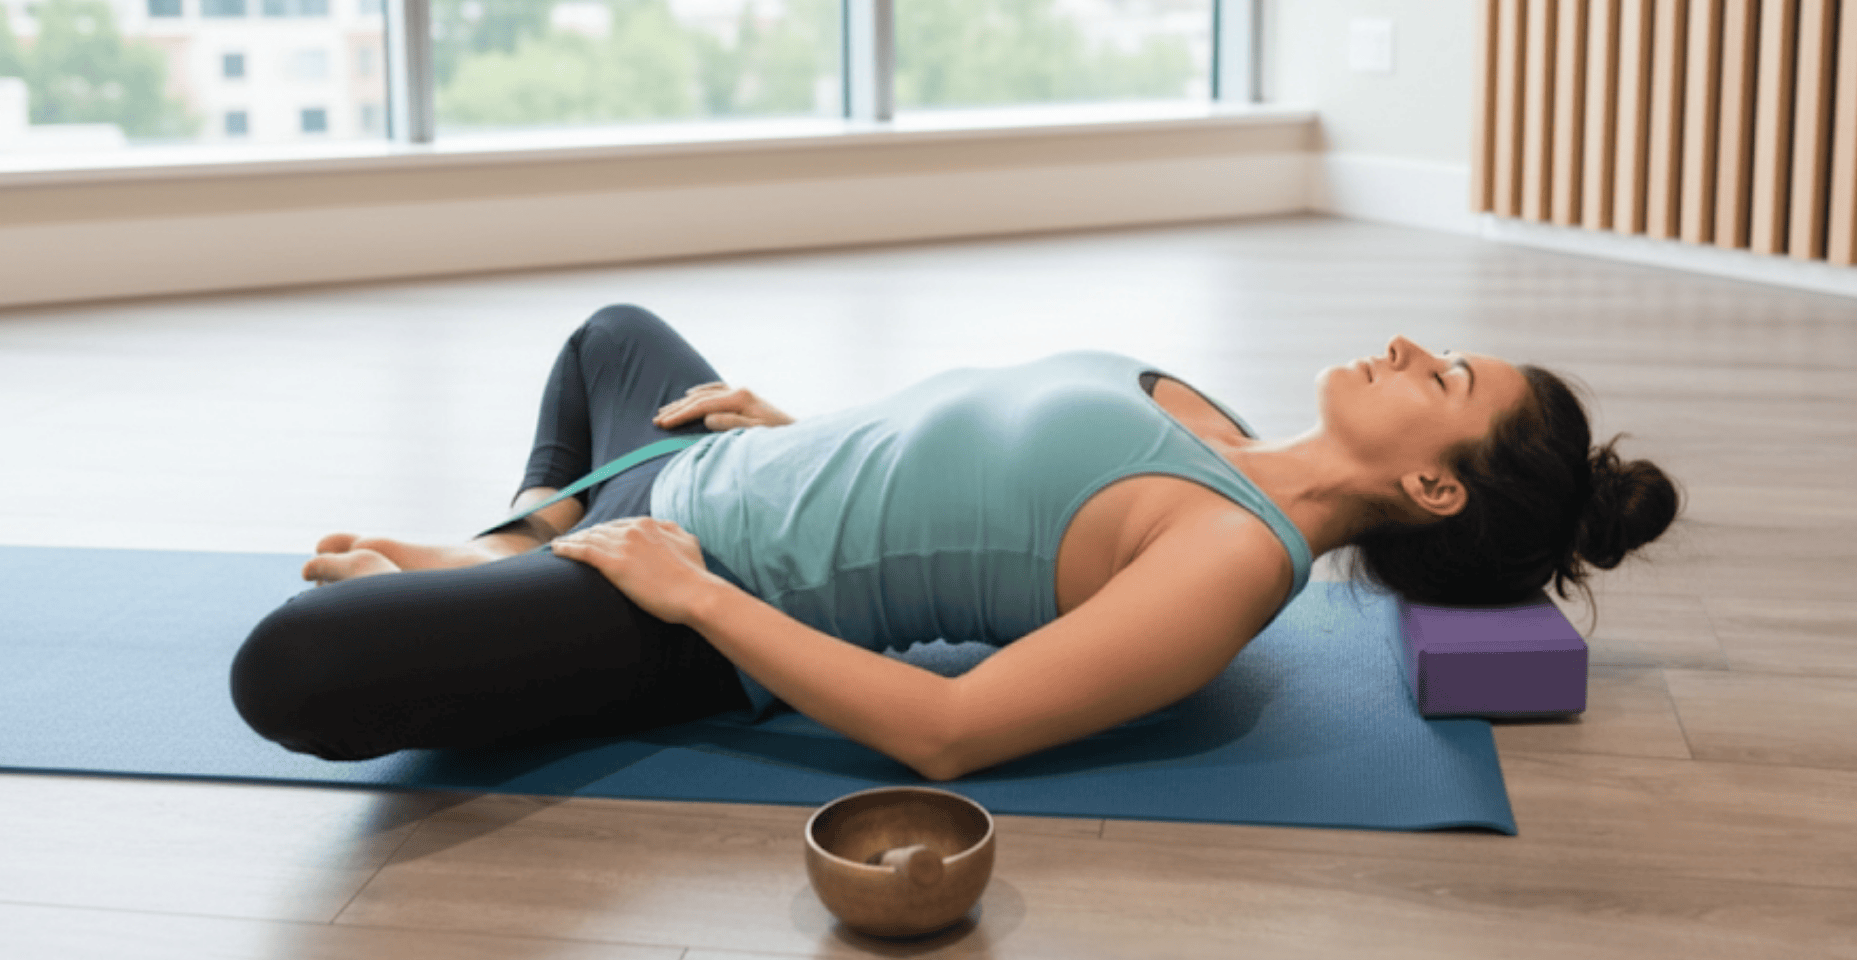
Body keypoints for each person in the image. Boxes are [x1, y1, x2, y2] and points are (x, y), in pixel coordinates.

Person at [230, 304, 1679, 780]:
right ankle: (508, 556)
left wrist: (690, 594)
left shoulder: (1231, 564)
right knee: (613, 337)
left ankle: (541, 574)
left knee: (292, 670)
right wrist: (785, 428)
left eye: (1447, 386)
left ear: (1436, 492)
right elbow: (950, 466)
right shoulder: (1209, 415)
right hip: (720, 469)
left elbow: (949, 731)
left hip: (687, 606)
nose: (1415, 348)